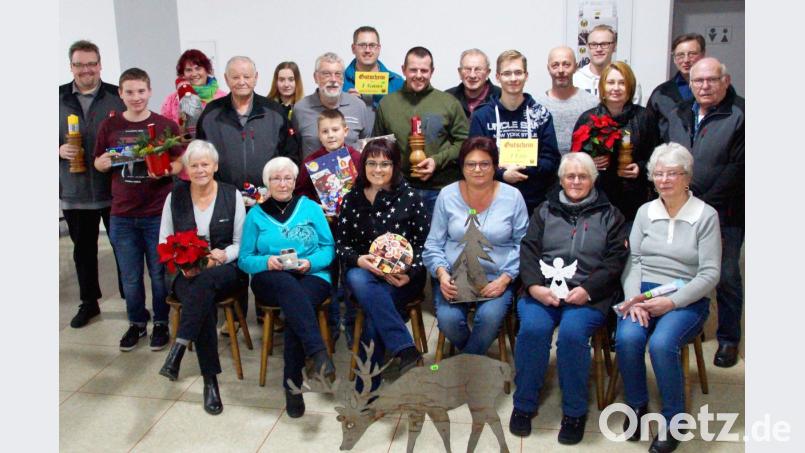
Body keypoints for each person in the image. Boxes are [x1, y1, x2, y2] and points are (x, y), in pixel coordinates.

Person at [510, 153, 628, 443]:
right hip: (543, 290)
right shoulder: (544, 210)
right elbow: (528, 250)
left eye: (583, 176)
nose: (576, 181)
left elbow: (615, 260)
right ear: (561, 179)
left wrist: (588, 289)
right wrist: (535, 286)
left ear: (594, 179)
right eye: (570, 176)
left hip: (589, 294)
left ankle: (574, 412)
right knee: (534, 329)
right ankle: (523, 405)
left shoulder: (611, 215)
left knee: (573, 336)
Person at [616, 143, 721, 453]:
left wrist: (672, 302)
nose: (663, 180)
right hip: (643, 291)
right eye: (657, 174)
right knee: (627, 338)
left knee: (662, 344)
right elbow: (632, 261)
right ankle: (636, 406)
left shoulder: (706, 215)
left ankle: (674, 419)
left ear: (686, 177)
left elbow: (710, 273)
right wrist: (634, 299)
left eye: (671, 174)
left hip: (686, 295)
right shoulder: (644, 212)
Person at [93, 68, 184, 352]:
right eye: (129, 92)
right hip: (121, 214)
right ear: (120, 94)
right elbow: (98, 162)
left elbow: (180, 163)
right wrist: (103, 163)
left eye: (141, 91)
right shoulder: (110, 126)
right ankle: (136, 323)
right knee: (130, 275)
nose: (136, 97)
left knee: (159, 274)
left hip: (157, 212)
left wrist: (167, 169)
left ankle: (160, 322)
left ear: (150, 91)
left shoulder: (165, 124)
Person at [662, 57, 744, 368]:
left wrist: (699, 202)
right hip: (680, 208)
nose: (704, 86)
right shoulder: (679, 114)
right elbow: (668, 158)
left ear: (726, 80)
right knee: (683, 267)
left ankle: (728, 339)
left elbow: (738, 170)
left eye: (711, 80)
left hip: (725, 211)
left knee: (725, 274)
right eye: (698, 81)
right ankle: (684, 325)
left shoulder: (742, 114)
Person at [238, 157, 336, 419]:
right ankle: (317, 351)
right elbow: (245, 259)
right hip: (271, 278)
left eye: (288, 178)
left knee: (297, 307)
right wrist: (266, 261)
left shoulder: (311, 208)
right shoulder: (255, 215)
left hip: (312, 275)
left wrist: (309, 262)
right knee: (287, 287)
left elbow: (329, 248)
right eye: (276, 178)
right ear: (267, 182)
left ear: (295, 181)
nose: (282, 183)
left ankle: (291, 386)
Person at [157, 140, 246, 416]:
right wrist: (183, 266)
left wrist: (221, 255)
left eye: (205, 164)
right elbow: (164, 242)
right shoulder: (175, 196)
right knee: (202, 296)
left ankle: (179, 349)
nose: (200, 170)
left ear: (215, 166)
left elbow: (241, 244)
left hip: (225, 271)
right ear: (186, 170)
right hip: (187, 275)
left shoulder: (232, 195)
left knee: (204, 284)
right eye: (193, 165)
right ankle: (211, 381)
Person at [336, 138, 430, 389]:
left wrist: (409, 272)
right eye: (372, 163)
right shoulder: (351, 198)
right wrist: (359, 260)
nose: (378, 169)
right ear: (363, 165)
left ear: (395, 166)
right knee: (357, 278)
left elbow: (425, 245)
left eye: (385, 164)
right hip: (365, 275)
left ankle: (366, 387)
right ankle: (405, 348)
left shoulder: (410, 197)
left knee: (374, 313)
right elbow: (341, 245)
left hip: (402, 278)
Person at [423, 136, 528, 356]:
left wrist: (505, 279)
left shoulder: (513, 197)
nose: (477, 169)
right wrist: (442, 275)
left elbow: (523, 244)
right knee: (449, 321)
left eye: (485, 164)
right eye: (471, 164)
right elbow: (433, 243)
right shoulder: (447, 195)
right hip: (453, 277)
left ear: (495, 167)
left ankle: (465, 368)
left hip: (496, 278)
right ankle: (474, 364)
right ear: (462, 167)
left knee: (488, 319)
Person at [59, 39, 126, 328]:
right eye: (79, 64)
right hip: (74, 190)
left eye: (91, 64)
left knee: (123, 248)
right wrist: (57, 150)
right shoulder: (56, 97)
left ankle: (132, 300)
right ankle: (89, 303)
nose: (86, 70)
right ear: (71, 66)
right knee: (83, 251)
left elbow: (133, 134)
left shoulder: (117, 96)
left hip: (114, 190)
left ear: (100, 64)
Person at [294, 109, 363, 346]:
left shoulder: (357, 157)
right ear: (318, 134)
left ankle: (353, 324)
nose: (331, 135)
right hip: (325, 229)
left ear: (346, 131)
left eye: (335, 130)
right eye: (325, 131)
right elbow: (301, 192)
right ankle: (332, 323)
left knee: (352, 277)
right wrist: (315, 206)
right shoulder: (311, 162)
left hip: (354, 229)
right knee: (330, 276)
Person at [374, 46, 469, 215]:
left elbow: (465, 142)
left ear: (432, 71)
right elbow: (378, 148)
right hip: (399, 190)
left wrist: (436, 161)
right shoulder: (387, 105)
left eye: (424, 70)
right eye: (413, 70)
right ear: (403, 70)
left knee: (440, 241)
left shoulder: (448, 103)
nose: (419, 75)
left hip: (442, 191)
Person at [468, 49, 560, 214]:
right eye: (507, 73)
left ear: (526, 75)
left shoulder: (541, 114)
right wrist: (502, 174)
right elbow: (474, 162)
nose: (513, 78)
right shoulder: (482, 116)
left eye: (518, 73)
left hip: (536, 204)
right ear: (497, 77)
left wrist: (525, 168)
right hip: (493, 202)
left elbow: (551, 160)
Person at [195, 56, 300, 194]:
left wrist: (280, 187)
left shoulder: (275, 113)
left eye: (247, 76)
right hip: (224, 197)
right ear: (226, 79)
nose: (241, 82)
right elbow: (200, 157)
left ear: (256, 78)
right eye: (235, 77)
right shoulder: (211, 114)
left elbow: (291, 157)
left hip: (268, 199)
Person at [572, 61, 658, 223]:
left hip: (634, 198)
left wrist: (640, 167)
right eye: (611, 82)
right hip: (595, 196)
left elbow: (655, 154)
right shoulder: (588, 118)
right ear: (603, 87)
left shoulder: (644, 117)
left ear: (630, 87)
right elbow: (574, 159)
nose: (616, 88)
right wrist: (591, 162)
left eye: (622, 83)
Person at [292, 52, 372, 158]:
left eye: (338, 74)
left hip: (353, 173)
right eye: (326, 74)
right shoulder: (300, 109)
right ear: (316, 77)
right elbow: (294, 149)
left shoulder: (358, 106)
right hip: (312, 173)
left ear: (343, 78)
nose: (333, 80)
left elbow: (365, 147)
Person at [534, 46, 599, 155]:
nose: (560, 70)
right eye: (555, 65)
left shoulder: (592, 103)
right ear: (548, 68)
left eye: (566, 65)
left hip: (581, 169)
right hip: (546, 170)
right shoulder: (536, 105)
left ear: (576, 67)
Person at [343, 25, 404, 127]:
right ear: (353, 48)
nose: (367, 50)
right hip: (351, 141)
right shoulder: (340, 81)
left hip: (388, 142)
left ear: (379, 48)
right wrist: (344, 104)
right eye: (362, 45)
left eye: (372, 45)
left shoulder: (397, 82)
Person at [160, 49, 227, 135]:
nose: (194, 74)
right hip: (183, 148)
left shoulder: (223, 98)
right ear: (182, 74)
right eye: (188, 70)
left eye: (198, 68)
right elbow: (165, 132)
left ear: (207, 70)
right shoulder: (172, 100)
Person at [647, 33, 705, 132]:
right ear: (674, 59)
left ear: (703, 54)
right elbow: (649, 132)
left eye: (692, 54)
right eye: (680, 55)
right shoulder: (661, 94)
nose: (686, 60)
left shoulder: (715, 90)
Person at [574, 25, 641, 104]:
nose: (599, 49)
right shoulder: (575, 80)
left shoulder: (628, 80)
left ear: (614, 47)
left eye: (604, 44)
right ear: (587, 47)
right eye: (594, 44)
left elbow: (635, 114)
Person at [446, 49, 501, 118]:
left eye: (478, 69)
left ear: (487, 73)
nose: (472, 75)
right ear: (460, 72)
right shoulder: (447, 98)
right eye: (467, 69)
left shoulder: (501, 97)